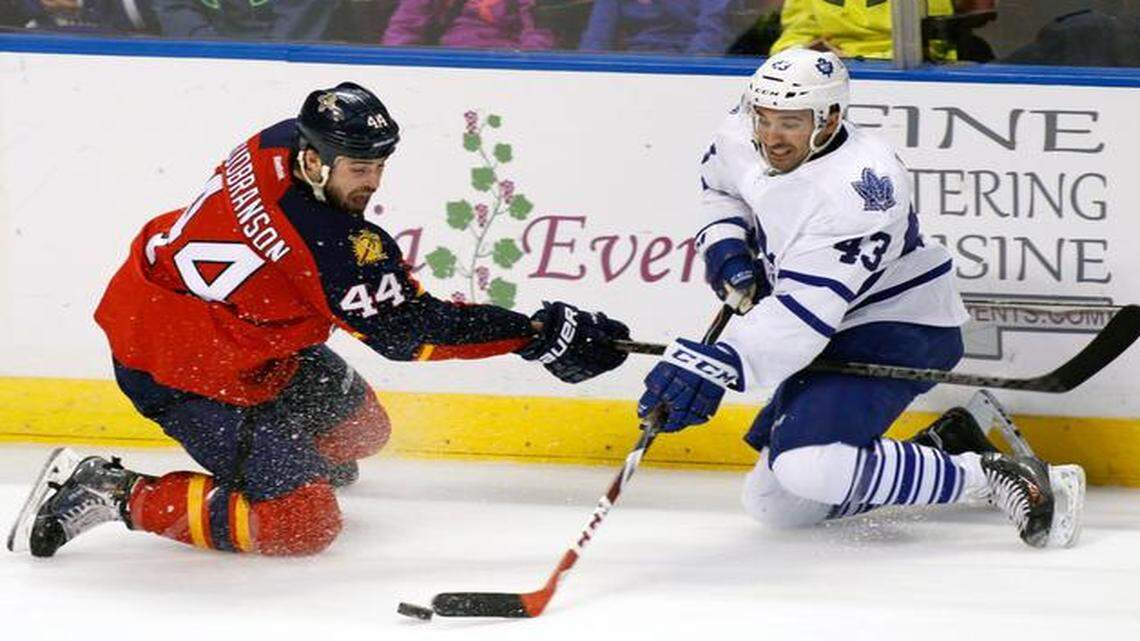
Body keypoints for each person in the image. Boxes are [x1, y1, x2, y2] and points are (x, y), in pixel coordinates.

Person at [7, 82, 631, 558]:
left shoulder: (279, 140)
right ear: (313, 161)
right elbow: (411, 333)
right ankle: (110, 493)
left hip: (228, 332)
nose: (372, 182)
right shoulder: (328, 245)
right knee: (303, 522)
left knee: (362, 434)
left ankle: (277, 460)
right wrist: (534, 335)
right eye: (360, 169)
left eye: (380, 165)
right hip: (184, 373)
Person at [636, 48, 1085, 548]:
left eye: (790, 122)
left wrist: (721, 364)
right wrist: (725, 248)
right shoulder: (742, 133)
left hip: (897, 326)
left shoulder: (861, 187)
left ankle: (1000, 475)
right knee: (777, 505)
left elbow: (803, 317)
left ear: (829, 119)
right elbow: (722, 190)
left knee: (808, 466)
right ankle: (940, 451)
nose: (770, 136)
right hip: (823, 322)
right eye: (763, 119)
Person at [770, 0, 958, 62]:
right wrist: (801, 52)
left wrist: (852, 60)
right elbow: (792, 37)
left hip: (900, 74)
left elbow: (934, 47)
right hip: (827, 74)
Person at [380, 0, 555, 50]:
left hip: (506, 64)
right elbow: (403, 30)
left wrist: (523, 67)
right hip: (448, 65)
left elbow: (539, 33)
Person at [577, 0, 733, 55]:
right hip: (634, 66)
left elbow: (712, 32)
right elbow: (595, 38)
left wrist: (687, 71)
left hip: (688, 65)